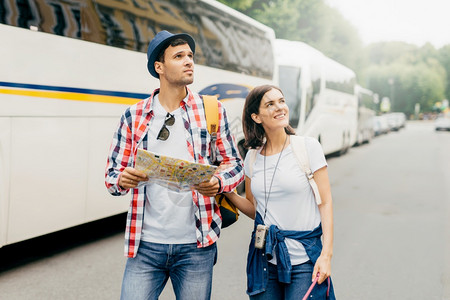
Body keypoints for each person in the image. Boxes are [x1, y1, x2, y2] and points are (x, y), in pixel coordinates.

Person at [105, 30, 244, 300]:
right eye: (179, 56)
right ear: (159, 67)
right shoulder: (134, 115)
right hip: (145, 246)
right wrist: (124, 179)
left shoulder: (212, 110)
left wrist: (217, 183)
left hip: (196, 245)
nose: (188, 61)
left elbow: (234, 165)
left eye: (190, 56)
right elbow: (111, 176)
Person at [226, 85, 336, 299]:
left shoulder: (308, 147)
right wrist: (228, 194)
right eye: (270, 104)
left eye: (281, 101)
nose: (279, 107)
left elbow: (326, 203)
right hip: (265, 260)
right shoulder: (252, 157)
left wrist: (326, 255)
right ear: (256, 117)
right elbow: (254, 209)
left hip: (304, 260)